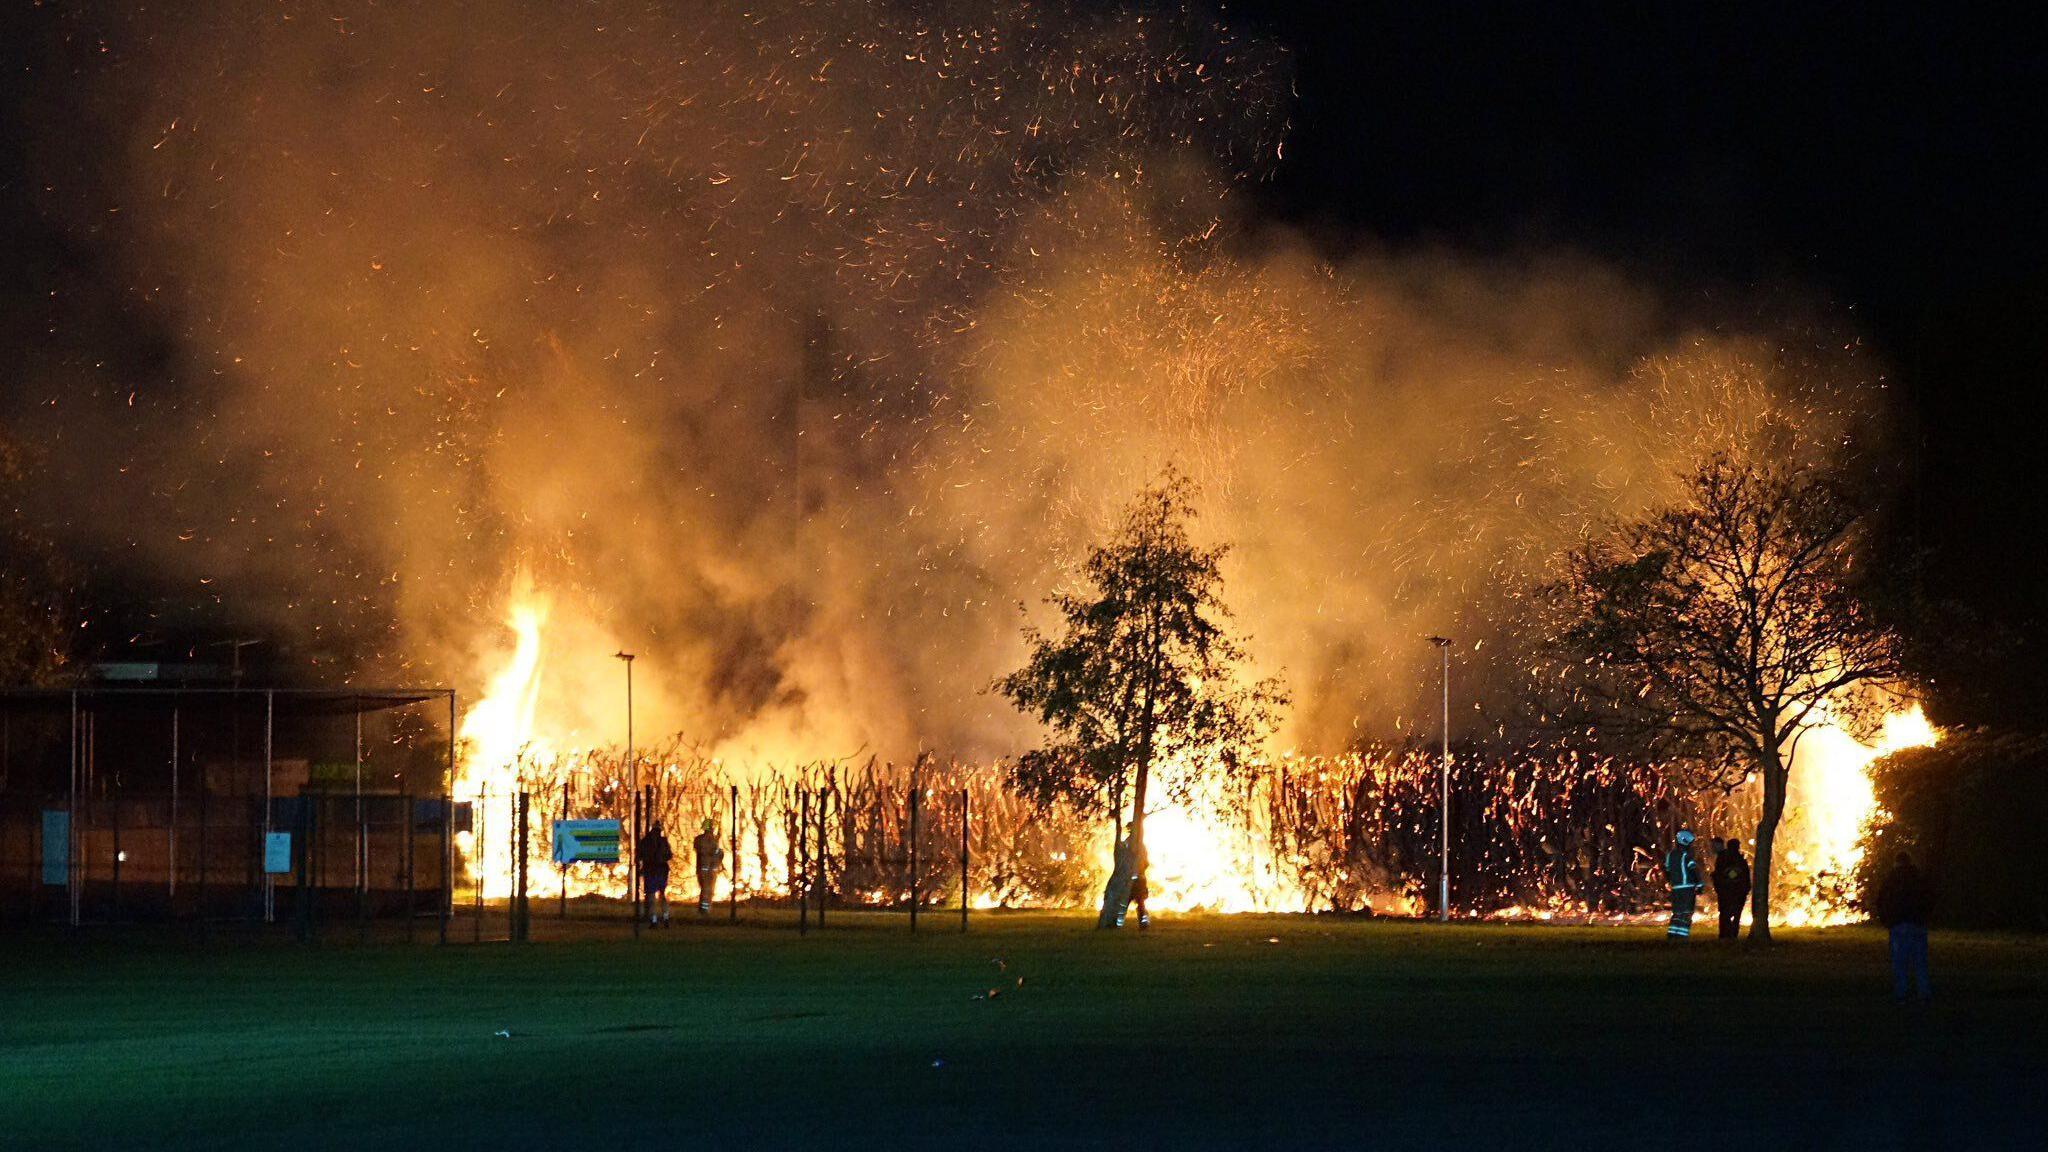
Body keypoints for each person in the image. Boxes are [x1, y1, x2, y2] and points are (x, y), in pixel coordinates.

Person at [1875, 850, 1934, 1002]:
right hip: (1917, 925)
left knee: (1899, 962)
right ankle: (1924, 993)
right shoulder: (1919, 879)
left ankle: (1901, 993)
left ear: (1896, 863)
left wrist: (1887, 921)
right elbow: (1929, 900)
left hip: (1898, 926)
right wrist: (1925, 918)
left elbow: (1881, 901)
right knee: (1920, 962)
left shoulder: (1891, 879)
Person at [1663, 829, 1704, 940]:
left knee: (1677, 913)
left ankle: (1672, 934)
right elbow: (1693, 871)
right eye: (1691, 843)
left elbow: (1667, 870)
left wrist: (1671, 882)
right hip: (1687, 889)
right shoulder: (1686, 856)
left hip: (1676, 889)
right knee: (1686, 913)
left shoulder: (1670, 855)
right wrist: (1699, 885)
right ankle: (1682, 936)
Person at [1712, 837, 1752, 940]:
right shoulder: (1739, 859)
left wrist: (1722, 878)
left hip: (1729, 890)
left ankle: (1726, 934)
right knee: (1735, 913)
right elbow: (1744, 874)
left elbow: (1732, 873)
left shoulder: (1728, 858)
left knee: (1726, 913)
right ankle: (1731, 933)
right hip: (1737, 890)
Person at [638, 821, 674, 927]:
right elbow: (669, 855)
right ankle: (666, 918)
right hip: (662, 870)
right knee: (662, 894)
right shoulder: (663, 841)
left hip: (650, 870)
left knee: (651, 895)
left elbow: (639, 855)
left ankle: (654, 920)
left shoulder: (645, 841)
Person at [692, 817, 724, 915]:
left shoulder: (698, 839)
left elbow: (701, 851)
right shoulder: (712, 840)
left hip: (703, 869)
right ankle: (705, 910)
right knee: (708, 890)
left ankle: (704, 909)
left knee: (705, 889)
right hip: (709, 869)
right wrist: (720, 852)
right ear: (711, 828)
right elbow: (715, 853)